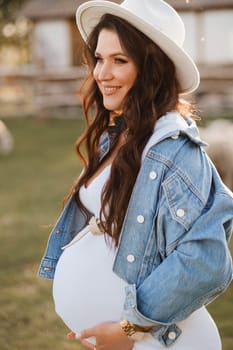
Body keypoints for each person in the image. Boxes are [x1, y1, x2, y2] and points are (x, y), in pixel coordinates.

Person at [38, 1, 233, 349]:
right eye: (99, 58)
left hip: (165, 341)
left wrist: (129, 328)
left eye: (120, 60)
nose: (101, 73)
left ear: (151, 69)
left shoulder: (175, 149)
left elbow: (205, 262)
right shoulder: (119, 134)